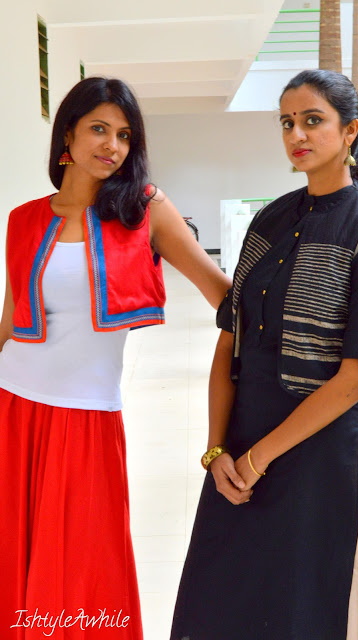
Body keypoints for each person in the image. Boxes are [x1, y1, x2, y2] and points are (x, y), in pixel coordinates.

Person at [170, 70, 358, 640]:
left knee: (304, 614)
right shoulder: (270, 220)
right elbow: (230, 339)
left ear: (350, 130)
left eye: (312, 120)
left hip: (318, 461)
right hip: (238, 452)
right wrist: (218, 452)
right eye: (287, 123)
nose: (296, 134)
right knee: (215, 608)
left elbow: (357, 378)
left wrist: (258, 458)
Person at [0, 77, 230, 640]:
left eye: (125, 135)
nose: (113, 146)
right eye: (99, 129)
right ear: (67, 136)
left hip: (88, 419)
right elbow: (10, 321)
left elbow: (224, 297)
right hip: (13, 411)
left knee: (84, 568)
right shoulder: (23, 219)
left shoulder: (144, 210)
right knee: (14, 560)